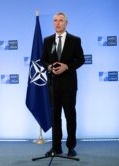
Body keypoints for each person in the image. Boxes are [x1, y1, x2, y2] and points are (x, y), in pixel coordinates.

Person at [41, 12, 84, 157]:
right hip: (53, 85)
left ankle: (71, 147)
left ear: (66, 23)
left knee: (70, 116)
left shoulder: (75, 40)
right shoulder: (47, 41)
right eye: (55, 20)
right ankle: (56, 147)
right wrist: (49, 67)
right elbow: (43, 60)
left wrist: (68, 67)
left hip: (69, 85)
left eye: (61, 20)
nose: (57, 23)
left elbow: (81, 59)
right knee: (55, 117)